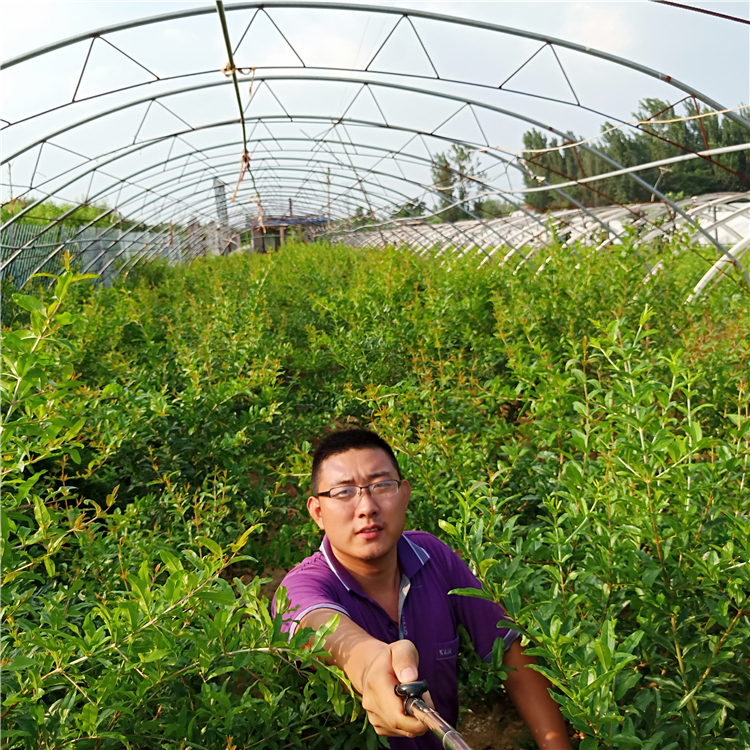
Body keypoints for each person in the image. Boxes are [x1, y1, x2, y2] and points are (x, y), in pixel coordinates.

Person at [274, 429, 572, 749]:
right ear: (317, 511)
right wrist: (371, 661)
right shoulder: (300, 586)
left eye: (381, 485)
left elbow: (508, 646)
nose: (366, 506)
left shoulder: (433, 556)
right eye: (344, 492)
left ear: (404, 493)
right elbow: (319, 625)